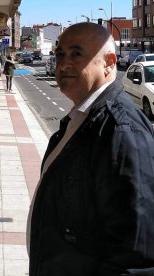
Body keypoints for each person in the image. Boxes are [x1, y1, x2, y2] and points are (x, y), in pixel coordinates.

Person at [28, 22, 154, 275]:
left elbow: (136, 256)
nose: (63, 64)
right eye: (60, 53)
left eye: (77, 54)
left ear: (109, 62)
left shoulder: (121, 131)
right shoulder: (80, 118)